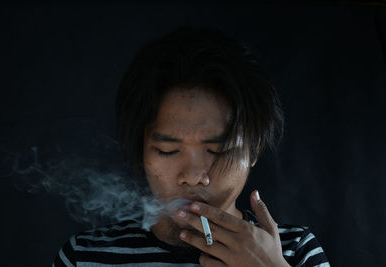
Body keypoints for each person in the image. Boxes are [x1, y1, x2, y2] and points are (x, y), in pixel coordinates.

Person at [53, 26, 330, 266]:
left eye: (218, 151)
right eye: (168, 151)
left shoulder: (293, 251)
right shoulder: (86, 256)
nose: (194, 175)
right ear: (141, 151)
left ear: (254, 149)